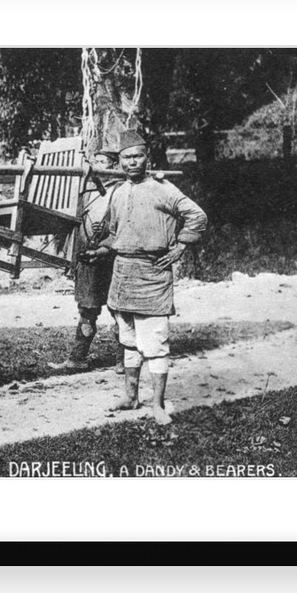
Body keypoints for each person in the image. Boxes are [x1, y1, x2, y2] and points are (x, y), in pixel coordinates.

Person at [83, 130, 207, 425]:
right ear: (120, 161)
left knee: (155, 343)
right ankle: (130, 397)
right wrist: (100, 251)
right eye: (126, 157)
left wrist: (180, 247)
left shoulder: (163, 189)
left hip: (153, 273)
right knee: (128, 341)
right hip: (123, 274)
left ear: (147, 157)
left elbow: (197, 216)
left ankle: (158, 405)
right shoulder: (117, 192)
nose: (131, 162)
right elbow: (116, 234)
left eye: (137, 156)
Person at [49, 149, 125, 373]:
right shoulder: (86, 188)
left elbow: (124, 224)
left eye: (103, 162)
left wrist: (106, 239)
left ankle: (124, 360)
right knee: (87, 311)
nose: (98, 166)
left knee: (119, 310)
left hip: (112, 258)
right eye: (96, 161)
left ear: (113, 166)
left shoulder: (121, 189)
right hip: (87, 258)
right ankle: (77, 358)